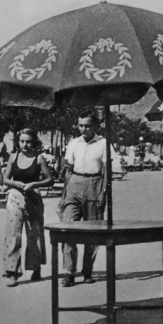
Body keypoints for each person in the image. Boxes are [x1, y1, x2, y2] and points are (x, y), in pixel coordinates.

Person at [60, 109, 113, 287]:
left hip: (95, 183)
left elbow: (108, 171)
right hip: (75, 182)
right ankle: (69, 271)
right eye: (80, 125)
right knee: (68, 228)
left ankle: (87, 270)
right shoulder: (73, 143)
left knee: (92, 230)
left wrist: (103, 193)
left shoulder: (104, 144)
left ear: (95, 126)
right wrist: (64, 194)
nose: (83, 129)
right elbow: (68, 169)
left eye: (87, 126)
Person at [2, 129, 53, 287]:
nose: (25, 144)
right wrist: (15, 183)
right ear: (18, 142)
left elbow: (50, 179)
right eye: (22, 141)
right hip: (15, 197)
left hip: (33, 198)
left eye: (28, 141)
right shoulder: (13, 157)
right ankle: (11, 272)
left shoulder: (39, 159)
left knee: (34, 234)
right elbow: (5, 179)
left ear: (34, 142)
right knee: (13, 233)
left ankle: (35, 267)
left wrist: (35, 184)